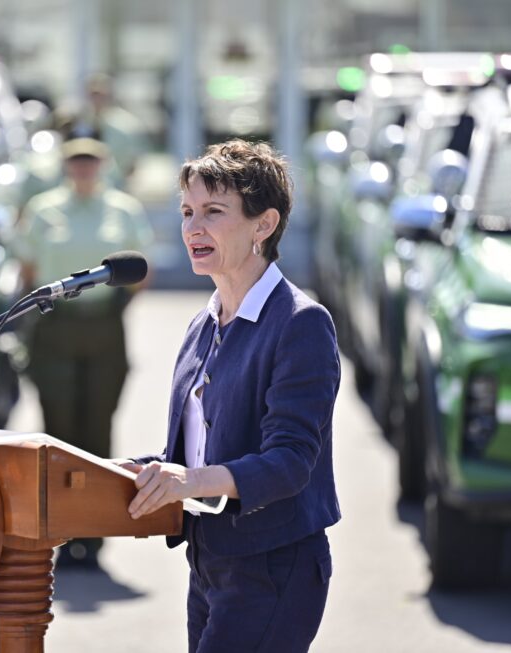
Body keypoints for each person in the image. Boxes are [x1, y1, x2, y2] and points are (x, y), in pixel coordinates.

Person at [119, 139, 341, 652]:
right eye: (187, 212)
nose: (194, 228)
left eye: (214, 212)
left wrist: (188, 481)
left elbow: (289, 462)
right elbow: (193, 456)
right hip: (209, 560)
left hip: (272, 564)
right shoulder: (204, 321)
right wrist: (114, 472)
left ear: (264, 225)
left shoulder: (301, 323)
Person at [14, 135, 154, 567]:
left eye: (91, 162)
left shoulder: (123, 209)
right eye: (76, 162)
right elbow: (28, 268)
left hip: (104, 325)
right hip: (57, 327)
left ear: (104, 165)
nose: (83, 170)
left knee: (97, 426)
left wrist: (118, 306)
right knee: (58, 429)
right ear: (65, 166)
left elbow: (141, 268)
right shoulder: (44, 209)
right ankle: (60, 527)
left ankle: (93, 534)